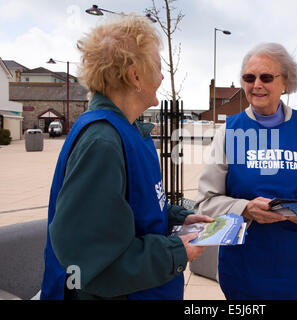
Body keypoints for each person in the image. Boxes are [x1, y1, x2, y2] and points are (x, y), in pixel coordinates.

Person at [40, 15, 213, 300]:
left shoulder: (129, 132)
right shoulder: (102, 143)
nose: (161, 77)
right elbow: (91, 262)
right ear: (135, 76)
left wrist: (180, 218)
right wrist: (176, 253)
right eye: (158, 67)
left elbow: (130, 210)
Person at [195, 43, 297, 300]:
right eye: (249, 78)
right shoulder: (229, 131)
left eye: (266, 77)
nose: (256, 84)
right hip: (245, 267)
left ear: (286, 83)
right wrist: (245, 209)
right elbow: (206, 202)